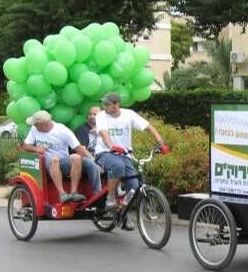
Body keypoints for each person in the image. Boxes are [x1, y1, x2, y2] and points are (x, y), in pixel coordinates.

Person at [94, 92, 169, 227]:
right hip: (105, 153)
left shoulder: (129, 114)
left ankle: (122, 215)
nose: (104, 106)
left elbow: (148, 127)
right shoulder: (101, 116)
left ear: (116, 104)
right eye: (104, 104)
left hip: (124, 155)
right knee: (117, 165)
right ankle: (110, 198)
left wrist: (160, 143)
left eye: (107, 104)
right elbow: (104, 134)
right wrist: (112, 147)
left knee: (134, 188)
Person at [21, 110, 102, 202]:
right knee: (54, 159)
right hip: (45, 162)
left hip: (63, 161)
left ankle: (76, 192)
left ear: (42, 124)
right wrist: (37, 149)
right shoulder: (34, 129)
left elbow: (78, 148)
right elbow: (26, 146)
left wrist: (93, 160)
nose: (34, 126)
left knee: (77, 158)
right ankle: (62, 194)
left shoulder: (62, 130)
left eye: (35, 124)